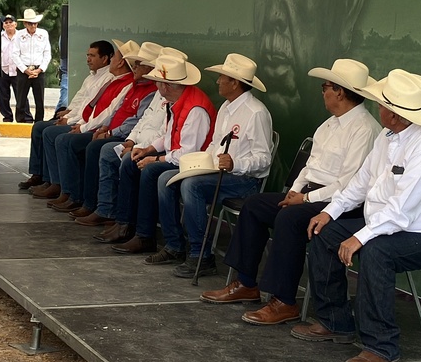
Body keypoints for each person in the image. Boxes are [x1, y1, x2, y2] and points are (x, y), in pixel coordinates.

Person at [297, 68, 421, 362]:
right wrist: (329, 211)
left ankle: (381, 347)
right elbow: (359, 184)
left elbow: (402, 210)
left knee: (376, 252)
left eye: (382, 104)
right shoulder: (387, 137)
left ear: (395, 115)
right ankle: (335, 322)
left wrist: (360, 237)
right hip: (390, 226)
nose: (378, 108)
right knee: (325, 232)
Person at [201, 59, 381, 323]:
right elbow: (310, 166)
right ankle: (246, 283)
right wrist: (294, 192)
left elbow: (348, 185)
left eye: (325, 87)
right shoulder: (329, 124)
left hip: (339, 204)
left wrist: (305, 198)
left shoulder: (364, 129)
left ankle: (284, 301)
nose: (323, 92)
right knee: (254, 205)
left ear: (339, 92)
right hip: (308, 194)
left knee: (289, 219)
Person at [161, 53, 274, 278]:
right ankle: (174, 245)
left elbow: (264, 159)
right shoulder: (226, 107)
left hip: (245, 180)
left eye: (223, 77)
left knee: (191, 185)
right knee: (166, 179)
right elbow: (215, 143)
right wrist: (201, 162)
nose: (218, 81)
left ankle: (201, 255)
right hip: (217, 172)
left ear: (235, 83)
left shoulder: (256, 113)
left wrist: (235, 163)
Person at [110, 52, 216, 255]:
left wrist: (155, 159)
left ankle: (149, 236)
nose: (156, 86)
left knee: (152, 172)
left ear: (166, 86)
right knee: (132, 161)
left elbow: (188, 154)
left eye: (158, 82)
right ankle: (126, 224)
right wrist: (147, 150)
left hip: (193, 163)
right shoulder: (177, 101)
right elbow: (168, 135)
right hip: (178, 156)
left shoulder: (195, 109)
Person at [50, 41, 159, 216]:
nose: (134, 67)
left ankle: (94, 205)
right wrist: (105, 127)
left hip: (128, 137)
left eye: (138, 64)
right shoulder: (135, 85)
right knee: (58, 135)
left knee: (91, 147)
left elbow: (135, 121)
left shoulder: (148, 90)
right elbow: (114, 111)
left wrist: (110, 132)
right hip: (114, 131)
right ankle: (68, 191)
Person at [19, 40, 115, 190]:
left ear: (104, 58)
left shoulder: (108, 78)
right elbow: (79, 99)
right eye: (87, 55)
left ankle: (56, 183)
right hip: (77, 117)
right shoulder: (92, 76)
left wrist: (69, 120)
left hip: (85, 122)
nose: (88, 59)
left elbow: (91, 108)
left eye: (92, 56)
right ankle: (39, 174)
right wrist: (68, 111)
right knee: (39, 127)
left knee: (50, 133)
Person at [11, 8, 50, 122]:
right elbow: (15, 54)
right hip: (24, 69)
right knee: (21, 99)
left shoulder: (43, 34)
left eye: (35, 23)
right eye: (30, 23)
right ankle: (20, 121)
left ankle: (39, 122)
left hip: (38, 69)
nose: (33, 26)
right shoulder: (19, 35)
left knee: (39, 100)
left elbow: (47, 53)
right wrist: (24, 69)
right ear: (25, 23)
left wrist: (40, 69)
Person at [0, 14, 19, 122]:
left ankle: (24, 117)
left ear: (15, 24)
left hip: (18, 69)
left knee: (20, 95)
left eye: (11, 22)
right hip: (3, 69)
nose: (8, 24)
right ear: (3, 25)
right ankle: (7, 116)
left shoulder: (21, 36)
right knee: (3, 96)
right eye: (6, 22)